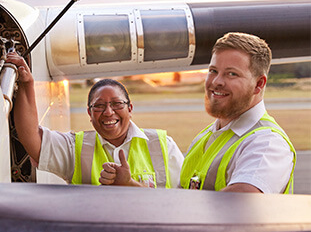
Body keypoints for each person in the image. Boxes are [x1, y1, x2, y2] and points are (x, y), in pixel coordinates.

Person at [6, 52, 184, 188]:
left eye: (116, 104)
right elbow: (31, 138)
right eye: (99, 106)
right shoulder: (74, 149)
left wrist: (129, 184)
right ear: (89, 114)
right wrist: (26, 83)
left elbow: (182, 202)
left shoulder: (163, 146)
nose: (108, 112)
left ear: (130, 109)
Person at [180, 32, 296, 194]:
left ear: (258, 84)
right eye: (213, 71)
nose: (216, 81)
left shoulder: (267, 143)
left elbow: (241, 202)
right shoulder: (205, 137)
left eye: (232, 74)